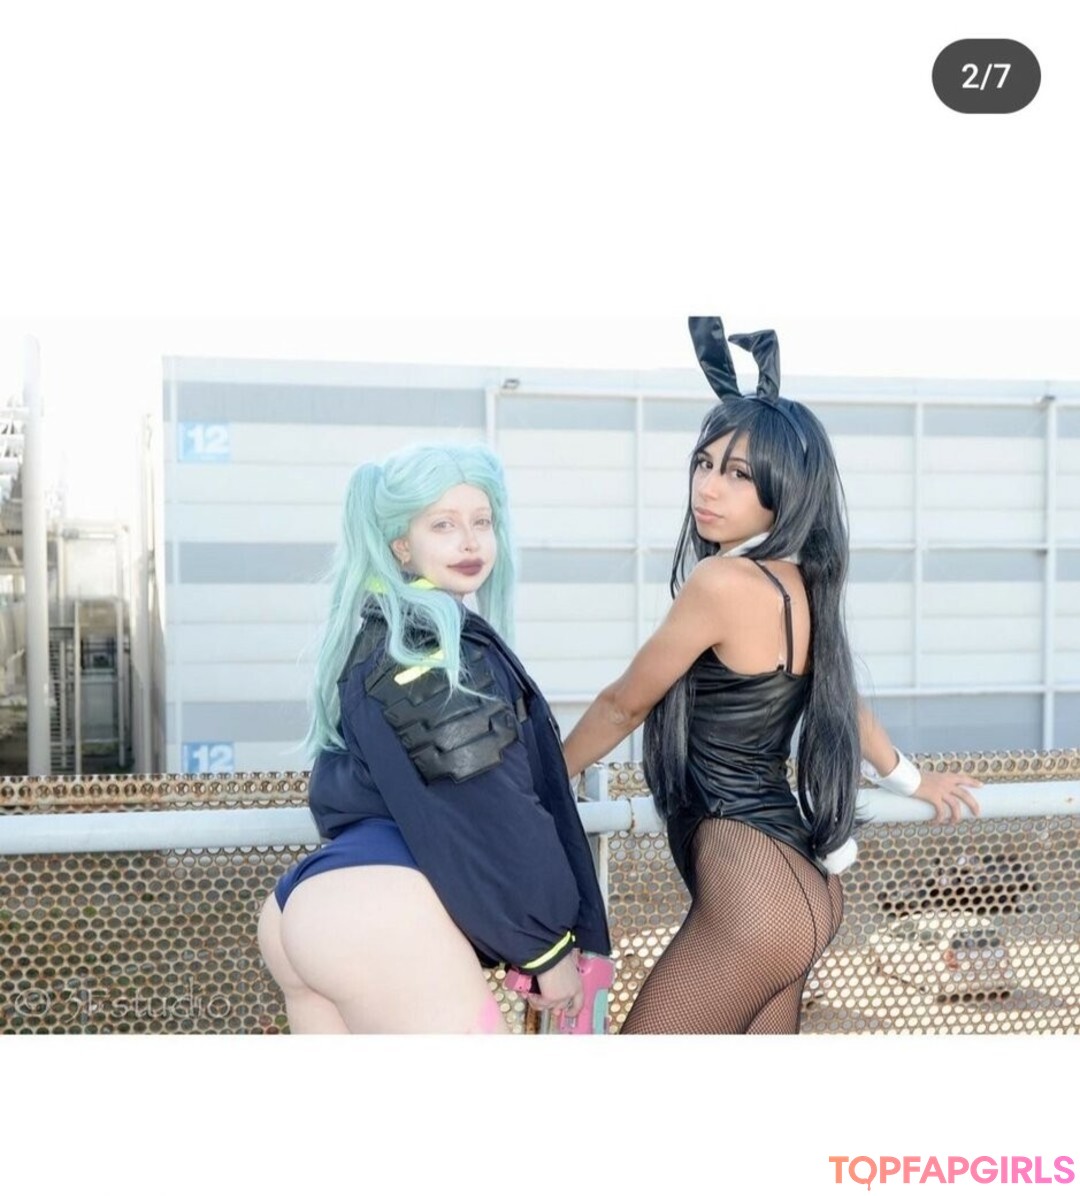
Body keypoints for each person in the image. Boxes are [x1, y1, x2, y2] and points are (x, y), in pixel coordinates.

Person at [561, 316, 981, 1034]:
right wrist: (911, 779)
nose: (708, 488)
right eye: (704, 464)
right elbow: (843, 701)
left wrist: (543, 783)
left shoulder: (721, 583)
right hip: (802, 886)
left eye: (738, 474)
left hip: (756, 893)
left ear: (784, 489)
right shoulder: (803, 582)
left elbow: (623, 706)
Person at [258, 442, 610, 1033]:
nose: (469, 542)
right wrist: (546, 949)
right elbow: (491, 806)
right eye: (443, 525)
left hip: (329, 903)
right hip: (382, 910)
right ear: (402, 545)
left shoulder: (386, 638)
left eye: (482, 522)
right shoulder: (429, 649)